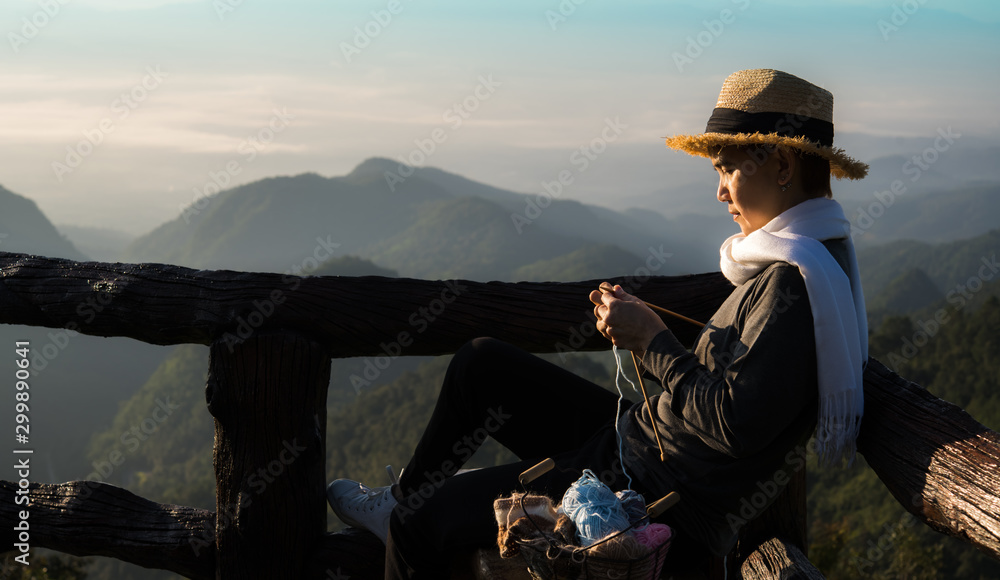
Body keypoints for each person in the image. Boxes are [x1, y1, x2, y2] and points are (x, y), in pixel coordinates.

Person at [326, 68, 869, 579]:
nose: (720, 191)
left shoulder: (793, 284)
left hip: (648, 485)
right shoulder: (805, 261)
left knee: (417, 526)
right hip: (639, 442)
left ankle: (401, 511)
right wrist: (651, 329)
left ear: (780, 165)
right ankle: (401, 497)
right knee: (482, 364)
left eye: (728, 167)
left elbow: (737, 424)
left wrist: (651, 340)